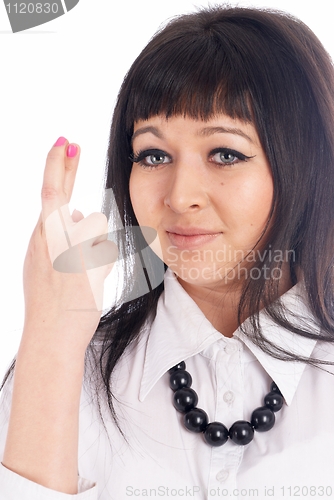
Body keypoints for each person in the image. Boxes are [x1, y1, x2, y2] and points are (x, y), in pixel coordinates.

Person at [1, 4, 334, 499]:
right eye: (154, 155)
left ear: (306, 167)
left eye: (226, 153)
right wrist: (50, 339)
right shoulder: (67, 367)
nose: (180, 197)